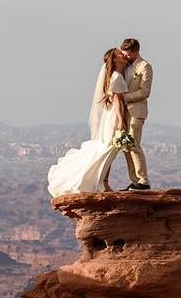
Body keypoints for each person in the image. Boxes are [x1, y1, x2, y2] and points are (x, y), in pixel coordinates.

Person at [47, 48, 129, 196]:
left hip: (109, 115)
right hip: (114, 116)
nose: (123, 55)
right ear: (115, 59)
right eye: (119, 54)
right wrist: (121, 121)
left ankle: (103, 182)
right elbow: (117, 100)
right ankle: (102, 183)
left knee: (108, 149)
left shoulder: (112, 76)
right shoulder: (116, 77)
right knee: (108, 149)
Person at [119, 38, 152, 190]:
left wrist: (124, 97)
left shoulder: (145, 66)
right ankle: (134, 180)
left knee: (134, 144)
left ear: (135, 52)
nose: (125, 57)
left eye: (127, 55)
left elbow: (145, 92)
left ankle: (143, 180)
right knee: (125, 146)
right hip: (122, 112)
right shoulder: (123, 66)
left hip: (136, 111)